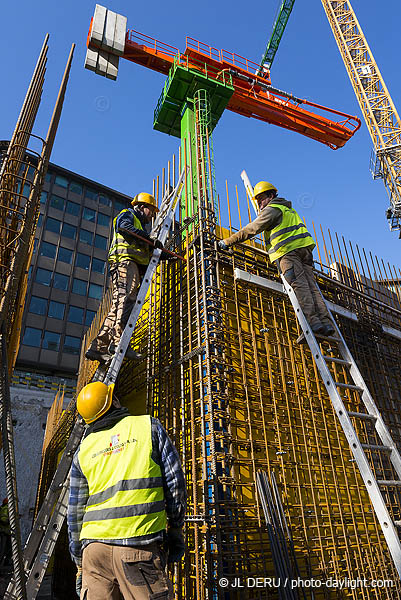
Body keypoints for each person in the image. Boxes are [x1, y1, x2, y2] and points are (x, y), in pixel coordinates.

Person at [67, 381, 187, 599]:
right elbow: (175, 484)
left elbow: (74, 513)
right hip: (138, 548)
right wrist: (176, 527)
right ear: (113, 401)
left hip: (93, 553)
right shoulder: (147, 427)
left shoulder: (83, 450)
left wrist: (79, 562)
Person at [218, 181, 335, 336]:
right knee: (312, 288)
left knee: (300, 287)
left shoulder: (272, 210)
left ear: (271, 196)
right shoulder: (288, 209)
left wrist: (227, 241)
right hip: (304, 252)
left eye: (261, 198)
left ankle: (314, 322)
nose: (259, 203)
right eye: (257, 200)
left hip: (288, 253)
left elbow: (251, 229)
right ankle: (326, 323)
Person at [85, 193, 170, 363]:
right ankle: (118, 343)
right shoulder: (128, 215)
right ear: (141, 206)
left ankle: (98, 347)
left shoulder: (140, 228)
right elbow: (123, 227)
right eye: (151, 210)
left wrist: (164, 254)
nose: (152, 215)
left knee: (117, 306)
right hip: (125, 263)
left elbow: (145, 251)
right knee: (127, 300)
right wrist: (149, 239)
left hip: (125, 263)